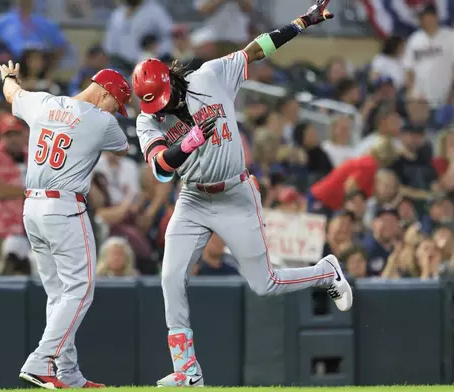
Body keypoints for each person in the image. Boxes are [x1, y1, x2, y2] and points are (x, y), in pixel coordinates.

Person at [130, 1, 349, 387]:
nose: (160, 108)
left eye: (161, 100)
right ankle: (187, 370)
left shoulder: (210, 76)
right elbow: (161, 170)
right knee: (170, 277)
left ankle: (326, 272)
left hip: (235, 193)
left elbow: (256, 48)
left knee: (263, 285)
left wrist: (301, 23)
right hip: (193, 198)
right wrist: (192, 140)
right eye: (152, 104)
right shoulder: (148, 119)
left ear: (170, 82)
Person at [0, 57, 131, 388]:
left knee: (59, 295)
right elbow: (125, 146)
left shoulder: (42, 102)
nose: (117, 111)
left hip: (32, 208)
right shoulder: (102, 121)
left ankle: (68, 374)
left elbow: (12, 93)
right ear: (104, 94)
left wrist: (11, 76)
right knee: (81, 289)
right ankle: (40, 361)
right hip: (64, 208)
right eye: (118, 103)